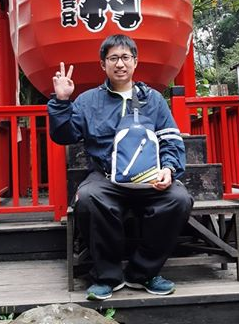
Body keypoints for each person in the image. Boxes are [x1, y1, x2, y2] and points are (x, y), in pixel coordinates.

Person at [48, 34, 193, 300]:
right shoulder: (88, 101)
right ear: (103, 64)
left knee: (179, 199)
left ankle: (143, 273)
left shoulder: (153, 100)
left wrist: (169, 169)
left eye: (126, 57)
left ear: (135, 62)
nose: (120, 64)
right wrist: (61, 101)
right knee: (88, 198)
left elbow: (170, 139)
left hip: (149, 178)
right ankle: (107, 277)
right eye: (113, 58)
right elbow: (64, 135)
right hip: (106, 178)